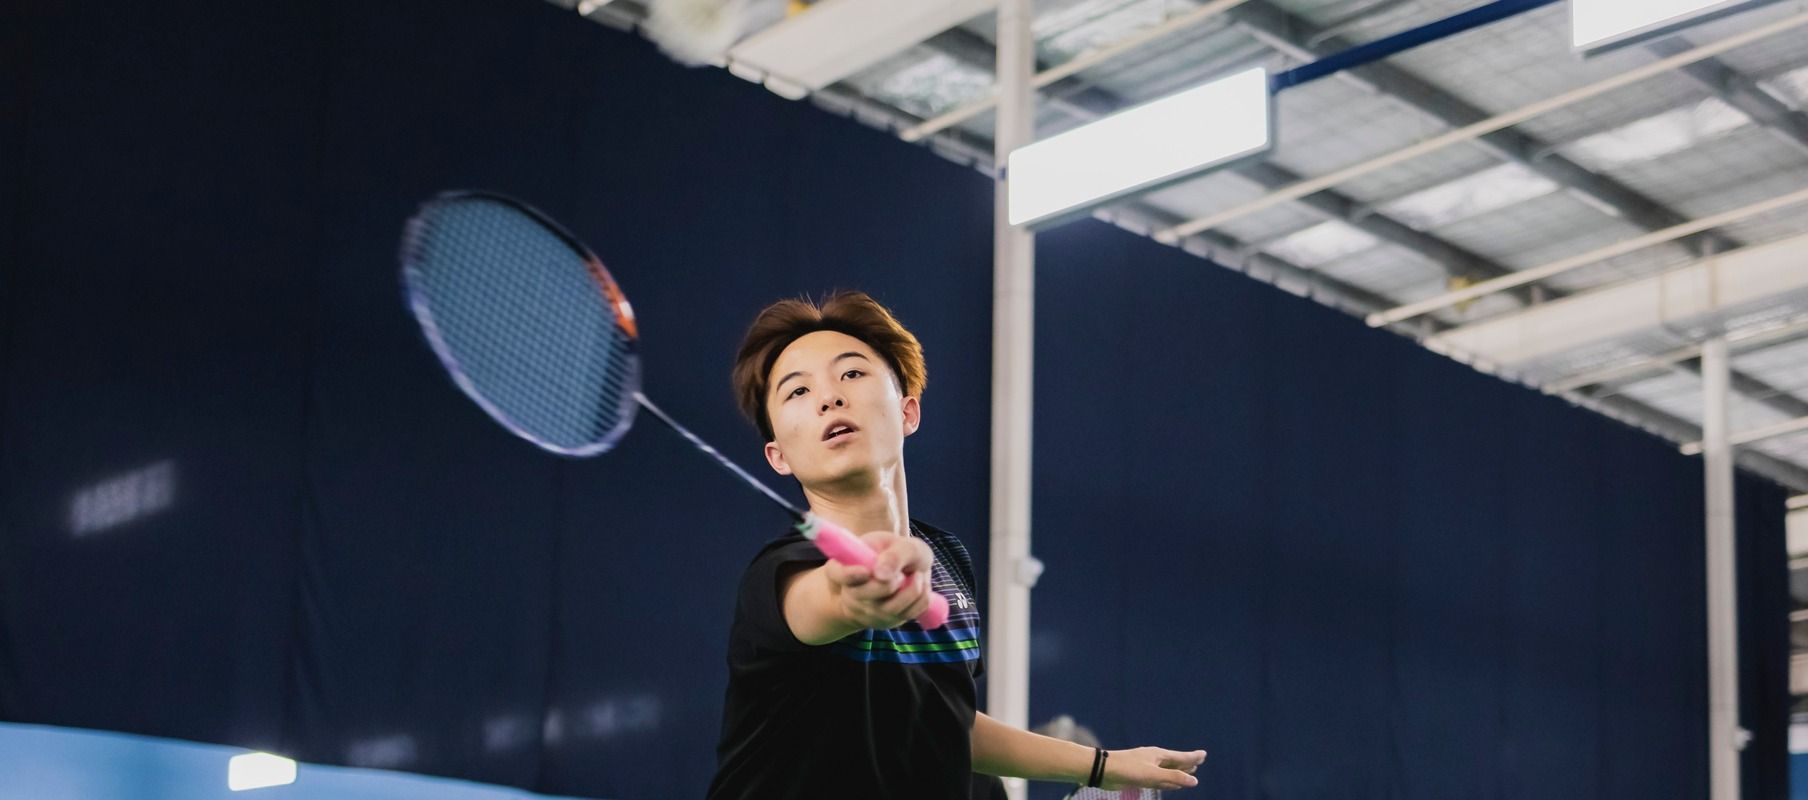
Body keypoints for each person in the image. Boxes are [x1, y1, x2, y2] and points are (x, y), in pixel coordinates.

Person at [706, 291, 1206, 799]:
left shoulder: (946, 557)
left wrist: (1104, 766)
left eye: (852, 373)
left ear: (908, 412)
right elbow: (824, 599)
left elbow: (949, 723)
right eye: (797, 391)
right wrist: (855, 595)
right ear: (779, 456)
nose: (829, 398)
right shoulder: (781, 576)